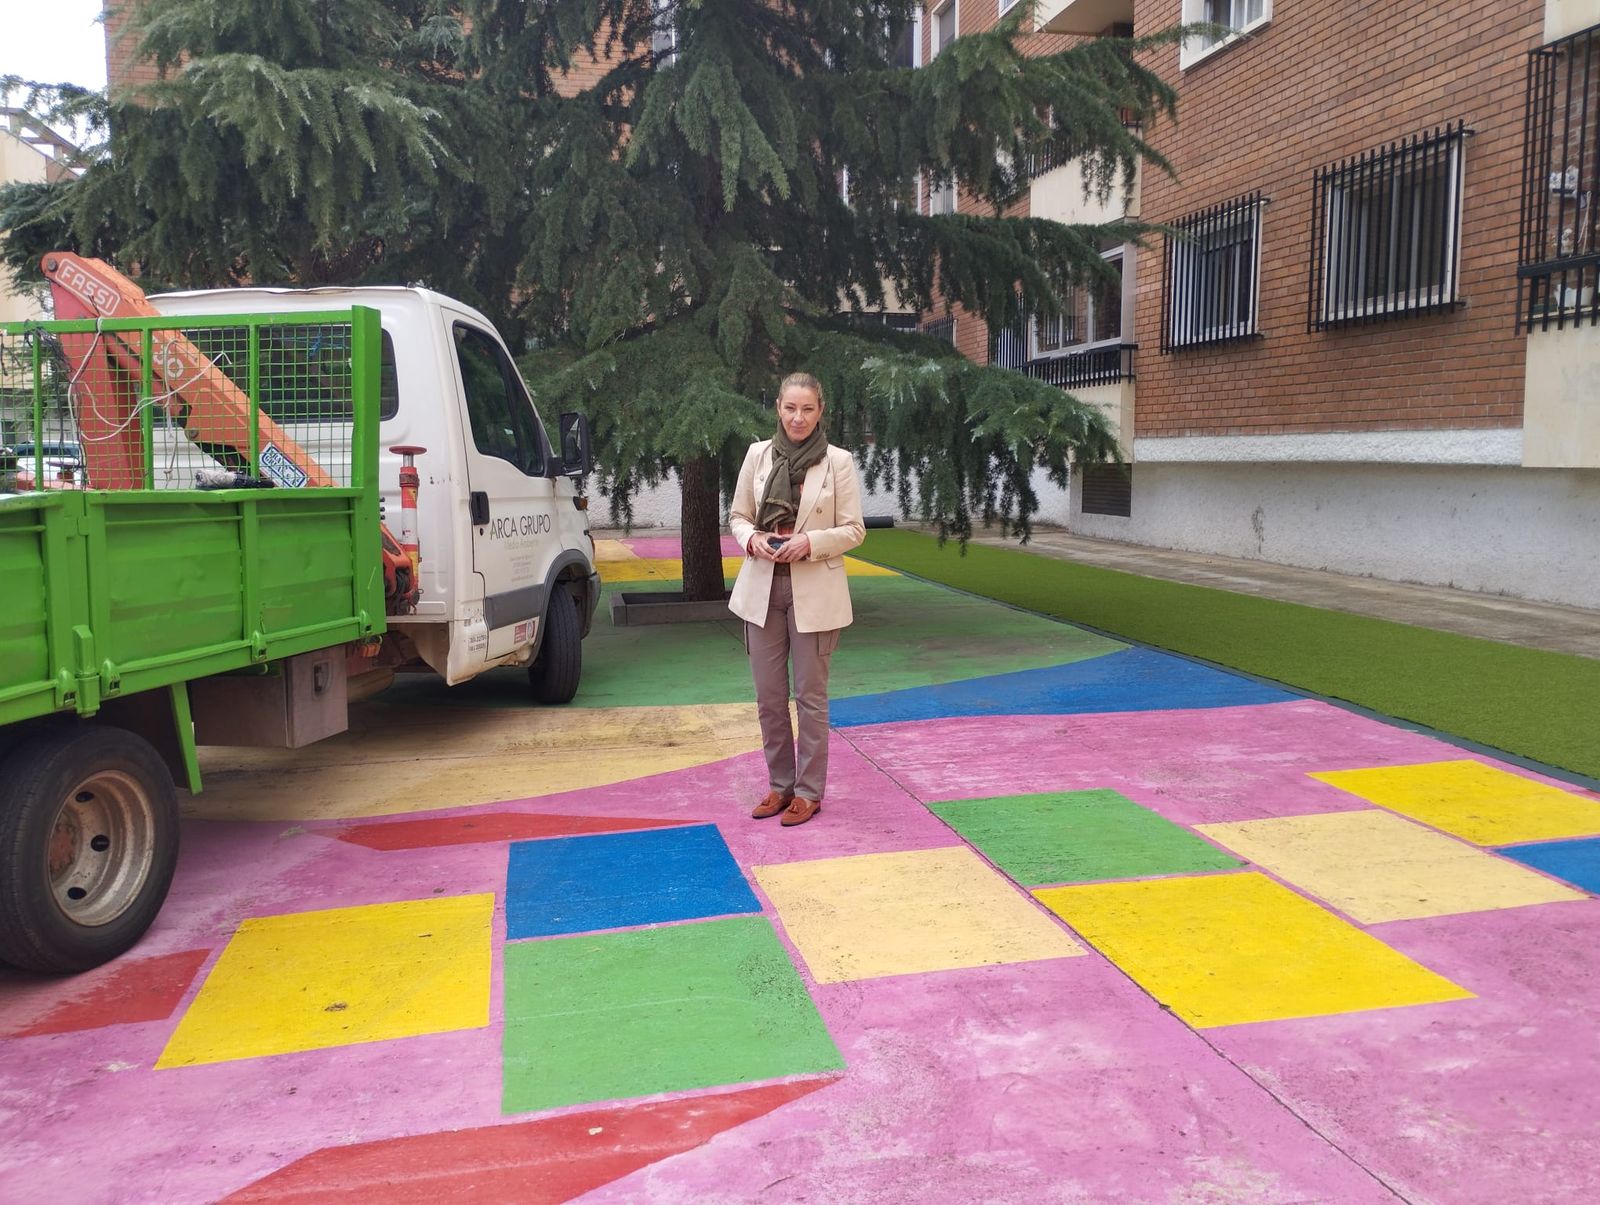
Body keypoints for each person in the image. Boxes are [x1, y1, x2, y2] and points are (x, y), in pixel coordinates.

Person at [728, 372, 865, 826]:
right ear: (778, 408)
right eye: (790, 408)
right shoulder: (758, 455)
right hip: (762, 588)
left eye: (807, 409)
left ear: (820, 411)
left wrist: (810, 542)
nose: (798, 417)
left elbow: (854, 529)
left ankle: (808, 792)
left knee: (810, 697)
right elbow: (739, 516)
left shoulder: (837, 461)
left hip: (815, 590)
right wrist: (753, 540)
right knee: (769, 698)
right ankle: (779, 785)